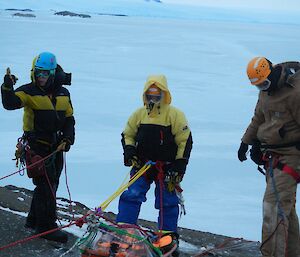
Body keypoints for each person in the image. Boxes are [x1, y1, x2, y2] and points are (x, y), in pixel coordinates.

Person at [1, 52, 75, 243]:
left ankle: (33, 220)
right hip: (37, 147)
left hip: (56, 146)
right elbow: (10, 103)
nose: (40, 77)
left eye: (44, 74)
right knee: (46, 186)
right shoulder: (28, 91)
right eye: (38, 73)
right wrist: (7, 87)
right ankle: (46, 227)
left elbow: (69, 119)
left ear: (53, 73)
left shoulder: (63, 94)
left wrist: (68, 138)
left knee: (51, 184)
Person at [116, 74, 193, 255]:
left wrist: (179, 167)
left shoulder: (174, 115)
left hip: (166, 168)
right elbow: (128, 134)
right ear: (145, 94)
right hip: (142, 165)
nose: (153, 98)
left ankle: (167, 238)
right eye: (150, 95)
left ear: (164, 94)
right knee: (132, 194)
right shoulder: (139, 114)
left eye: (157, 95)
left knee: (167, 201)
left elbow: (185, 141)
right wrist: (129, 152)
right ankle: (125, 231)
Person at [238, 57, 300, 257]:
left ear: (271, 73)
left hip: (291, 157)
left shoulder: (294, 94)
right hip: (272, 156)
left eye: (264, 83)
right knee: (286, 210)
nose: (262, 88)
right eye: (258, 86)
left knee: (272, 208)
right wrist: (247, 142)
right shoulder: (266, 93)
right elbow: (259, 117)